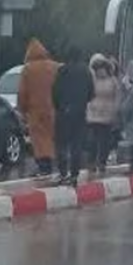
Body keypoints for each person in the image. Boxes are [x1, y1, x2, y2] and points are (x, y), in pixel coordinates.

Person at [17, 39, 60, 177]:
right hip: (53, 108)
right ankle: (52, 163)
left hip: (35, 111)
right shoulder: (55, 67)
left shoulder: (28, 69)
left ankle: (43, 166)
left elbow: (23, 93)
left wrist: (22, 109)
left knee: (39, 140)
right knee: (50, 137)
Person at [52, 52, 94, 187]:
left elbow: (55, 92)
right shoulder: (86, 72)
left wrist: (60, 106)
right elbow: (91, 93)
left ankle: (63, 172)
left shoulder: (62, 71)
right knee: (77, 145)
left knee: (61, 144)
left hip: (63, 112)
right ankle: (74, 174)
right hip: (80, 113)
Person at [86, 53, 121, 175]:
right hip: (93, 114)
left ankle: (102, 163)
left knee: (104, 141)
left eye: (101, 69)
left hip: (107, 115)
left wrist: (115, 111)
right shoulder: (92, 80)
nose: (99, 72)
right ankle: (91, 163)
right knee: (92, 141)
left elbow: (117, 97)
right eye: (97, 69)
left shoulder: (113, 81)